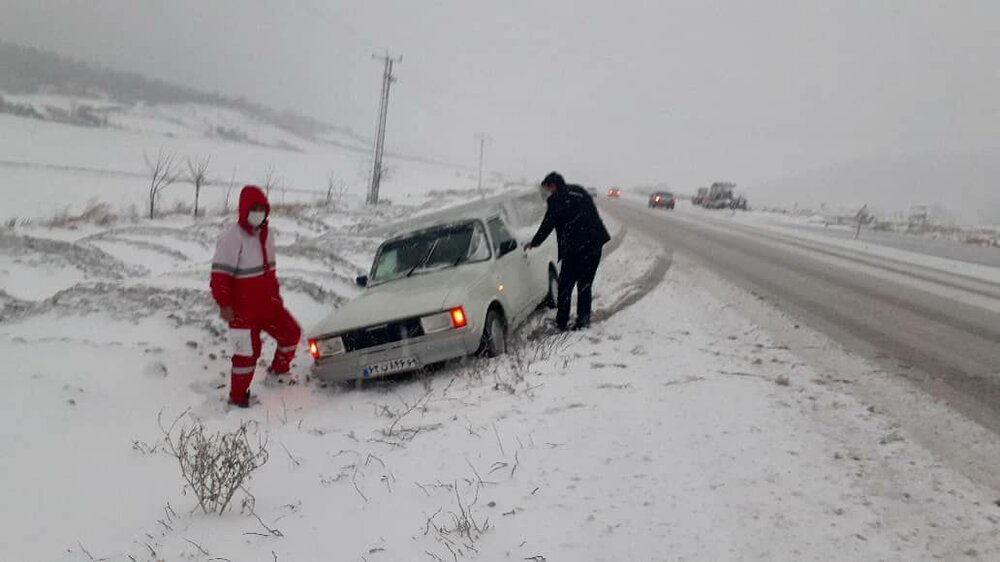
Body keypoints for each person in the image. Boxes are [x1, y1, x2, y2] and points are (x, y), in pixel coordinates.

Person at [210, 185, 301, 407]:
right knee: (247, 355)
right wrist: (224, 304)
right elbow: (220, 277)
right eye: (254, 208)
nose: (258, 212)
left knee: (291, 333)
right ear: (244, 209)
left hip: (269, 307)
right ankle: (238, 399)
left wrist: (276, 298)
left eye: (262, 208)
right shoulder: (231, 238)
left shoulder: (267, 236)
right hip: (242, 312)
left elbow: (269, 273)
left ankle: (279, 372)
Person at [524, 171, 610, 330]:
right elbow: (592, 214)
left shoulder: (556, 199)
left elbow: (548, 225)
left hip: (575, 249)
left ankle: (562, 321)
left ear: (553, 185)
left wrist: (534, 242)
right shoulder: (579, 190)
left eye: (548, 189)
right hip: (594, 245)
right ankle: (583, 321)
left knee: (564, 286)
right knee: (585, 285)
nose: (548, 192)